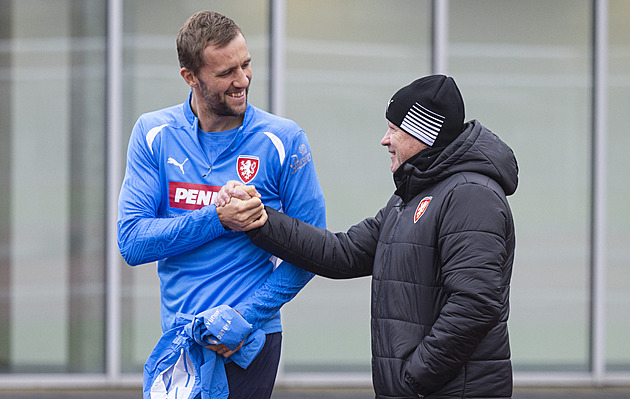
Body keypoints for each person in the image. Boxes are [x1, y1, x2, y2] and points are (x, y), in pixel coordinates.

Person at [220, 74, 518, 398]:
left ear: (424, 134)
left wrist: (417, 379)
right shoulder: (413, 196)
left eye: (394, 129)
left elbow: (475, 303)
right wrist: (259, 219)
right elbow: (341, 252)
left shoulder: (471, 195)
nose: (384, 140)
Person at [116, 10, 326, 399]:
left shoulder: (284, 140)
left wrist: (243, 319)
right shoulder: (153, 134)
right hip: (180, 341)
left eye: (246, 65)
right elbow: (132, 242)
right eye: (226, 72)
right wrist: (217, 218)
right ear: (190, 77)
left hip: (249, 342)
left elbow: (312, 251)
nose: (242, 80)